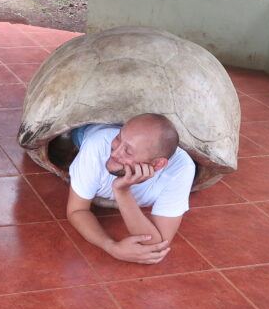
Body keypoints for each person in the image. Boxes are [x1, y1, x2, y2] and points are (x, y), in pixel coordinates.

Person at [64, 113, 195, 265]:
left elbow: (155, 246)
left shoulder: (182, 168)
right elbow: (76, 211)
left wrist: (122, 191)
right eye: (119, 138)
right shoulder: (98, 147)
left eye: (128, 151)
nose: (114, 152)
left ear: (158, 164)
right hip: (93, 129)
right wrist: (110, 246)